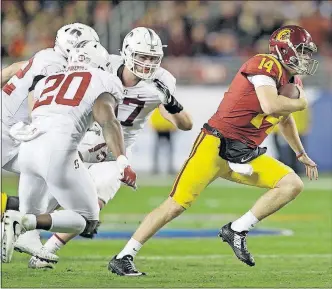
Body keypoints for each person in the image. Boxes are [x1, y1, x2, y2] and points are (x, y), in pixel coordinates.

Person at [108, 25, 319, 276]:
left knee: (292, 184)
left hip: (244, 152)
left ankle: (237, 230)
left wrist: (299, 152)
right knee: (176, 204)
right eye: (301, 51)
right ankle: (124, 256)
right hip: (215, 145)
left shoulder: (291, 79)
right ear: (284, 50)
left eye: (307, 52)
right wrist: (301, 102)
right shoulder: (265, 64)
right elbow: (271, 105)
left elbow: (283, 118)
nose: (305, 57)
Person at [15, 27, 193, 269]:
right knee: (43, 204)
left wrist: (171, 103)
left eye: (152, 58)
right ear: (127, 53)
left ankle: (46, 252)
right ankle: (15, 220)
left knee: (92, 207)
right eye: (142, 56)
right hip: (80, 141)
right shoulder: (103, 65)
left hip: (114, 154)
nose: (147, 63)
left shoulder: (162, 81)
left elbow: (185, 124)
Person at [1, 40, 136, 264]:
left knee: (35, 204)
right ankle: (23, 223)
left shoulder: (49, 80)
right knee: (87, 219)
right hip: (56, 151)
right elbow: (108, 120)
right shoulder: (104, 78)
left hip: (28, 147)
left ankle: (27, 235)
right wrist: (122, 160)